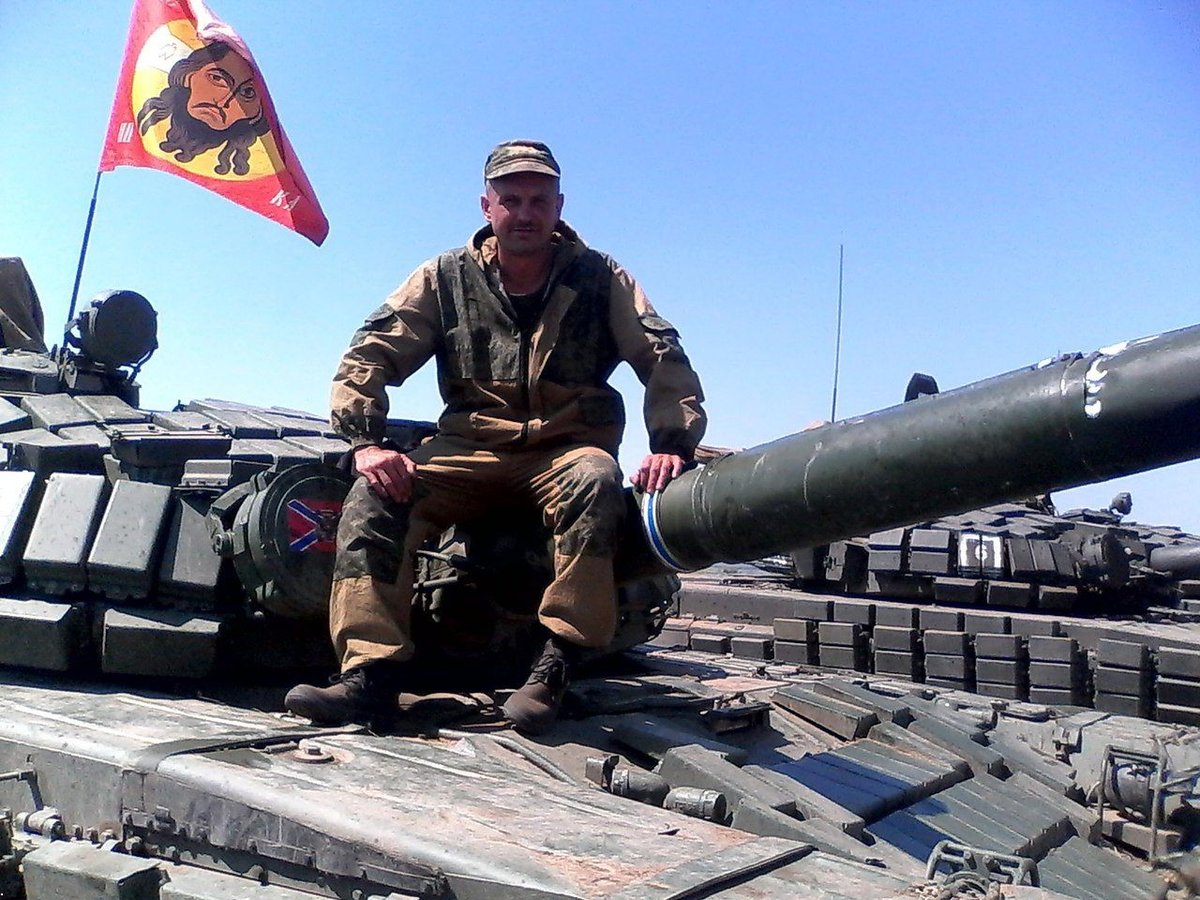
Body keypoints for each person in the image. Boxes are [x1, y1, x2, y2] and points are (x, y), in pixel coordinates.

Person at [285, 140, 706, 734]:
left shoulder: (600, 277)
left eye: (539, 200)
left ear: (559, 206)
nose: (525, 213)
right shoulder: (444, 277)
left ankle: (556, 663)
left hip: (565, 447)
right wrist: (366, 441)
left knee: (596, 479)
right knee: (375, 498)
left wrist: (672, 443)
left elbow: (660, 353)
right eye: (511, 200)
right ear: (487, 206)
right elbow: (370, 353)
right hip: (470, 447)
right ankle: (370, 676)